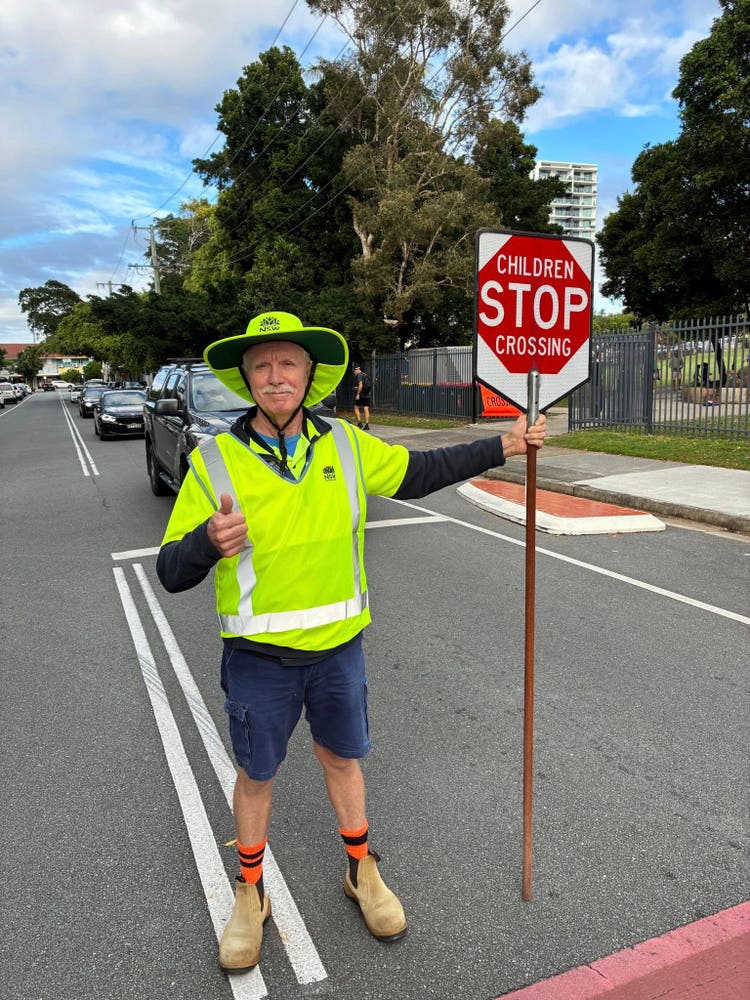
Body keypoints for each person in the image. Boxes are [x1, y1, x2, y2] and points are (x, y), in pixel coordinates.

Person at [155, 311, 547, 973]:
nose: (276, 376)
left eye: (288, 364)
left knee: (344, 760)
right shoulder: (214, 461)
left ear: (309, 375)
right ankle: (250, 894)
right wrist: (204, 544)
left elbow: (418, 472)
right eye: (262, 366)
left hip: (339, 650)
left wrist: (500, 446)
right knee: (257, 775)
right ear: (247, 379)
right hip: (259, 658)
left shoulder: (342, 443)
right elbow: (170, 571)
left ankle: (361, 871)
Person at [352, 363, 371, 429]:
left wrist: (357, 394)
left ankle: (359, 423)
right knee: (366, 409)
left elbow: (360, 385)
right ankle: (367, 424)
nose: (354, 372)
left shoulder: (359, 375)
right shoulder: (365, 375)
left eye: (354, 371)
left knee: (356, 407)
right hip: (367, 395)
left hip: (361, 395)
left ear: (357, 369)